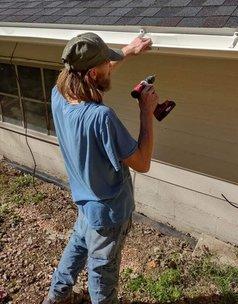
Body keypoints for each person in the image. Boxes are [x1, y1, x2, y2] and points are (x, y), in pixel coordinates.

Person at [42, 32, 158, 304]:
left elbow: (89, 73)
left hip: (85, 205)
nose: (111, 67)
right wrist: (146, 112)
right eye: (108, 63)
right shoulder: (100, 118)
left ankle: (54, 298)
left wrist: (128, 51)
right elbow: (142, 163)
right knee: (102, 280)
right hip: (108, 214)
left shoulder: (58, 94)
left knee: (74, 253)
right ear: (94, 73)